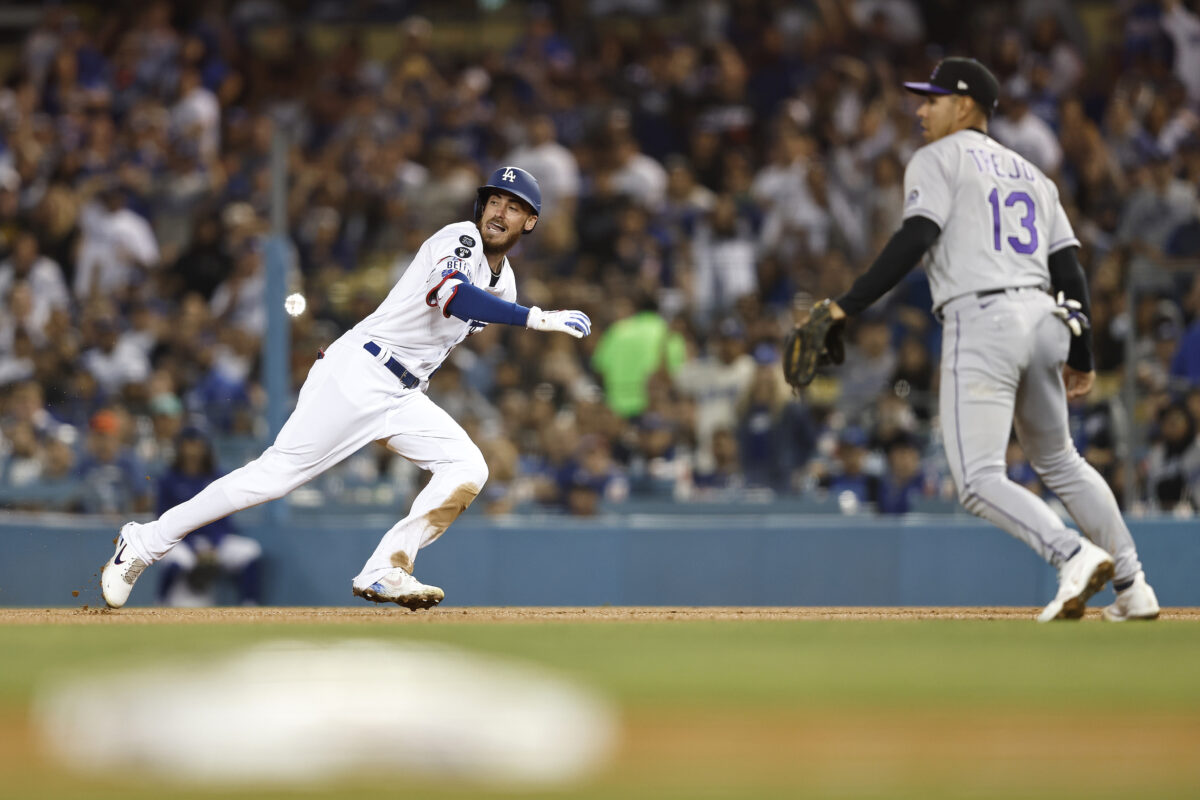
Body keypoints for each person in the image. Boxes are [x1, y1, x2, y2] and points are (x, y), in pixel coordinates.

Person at [101, 166, 592, 610]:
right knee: (273, 477)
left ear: (529, 223)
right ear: (481, 207)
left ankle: (387, 568)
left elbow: (474, 309)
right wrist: (536, 318)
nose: (500, 212)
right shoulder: (458, 237)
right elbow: (452, 295)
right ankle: (144, 541)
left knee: (467, 467)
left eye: (514, 207)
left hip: (402, 393)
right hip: (360, 371)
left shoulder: (505, 284)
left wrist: (525, 317)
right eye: (495, 201)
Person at [819, 58, 1159, 622]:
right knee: (1061, 460)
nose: (920, 110)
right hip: (1044, 315)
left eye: (933, 99)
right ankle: (1134, 583)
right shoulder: (1033, 174)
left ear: (967, 106)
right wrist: (1082, 352)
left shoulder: (936, 159)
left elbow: (917, 237)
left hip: (982, 318)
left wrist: (844, 305)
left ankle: (1071, 552)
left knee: (977, 481)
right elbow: (1070, 272)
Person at [155, 428, 264, 606]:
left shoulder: (217, 477)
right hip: (181, 542)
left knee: (250, 551)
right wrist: (194, 548)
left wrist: (215, 545)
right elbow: (163, 521)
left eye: (197, 444)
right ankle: (160, 603)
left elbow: (225, 519)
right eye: (188, 444)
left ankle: (249, 604)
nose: (192, 450)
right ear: (180, 447)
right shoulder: (168, 480)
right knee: (177, 561)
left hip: (214, 541)